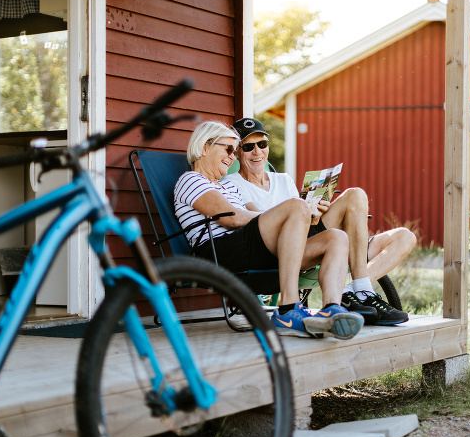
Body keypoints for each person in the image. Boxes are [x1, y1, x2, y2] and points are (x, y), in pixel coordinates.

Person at [174, 120, 364, 340]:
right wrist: (285, 216)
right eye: (228, 149)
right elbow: (233, 219)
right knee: (296, 205)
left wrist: (299, 217)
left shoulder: (223, 186)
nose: (232, 157)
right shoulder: (191, 179)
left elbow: (246, 220)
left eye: (234, 152)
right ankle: (288, 310)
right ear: (205, 147)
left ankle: (332, 309)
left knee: (336, 238)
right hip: (220, 252)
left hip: (250, 249)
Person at [223, 117, 416, 326]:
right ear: (237, 152)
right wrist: (307, 213)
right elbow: (261, 223)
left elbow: (301, 217)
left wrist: (316, 210)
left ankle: (359, 290)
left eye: (262, 144)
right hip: (281, 249)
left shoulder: (283, 179)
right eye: (249, 147)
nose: (257, 152)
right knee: (327, 219)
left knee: (360, 199)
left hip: (309, 235)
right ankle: (359, 293)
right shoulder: (233, 183)